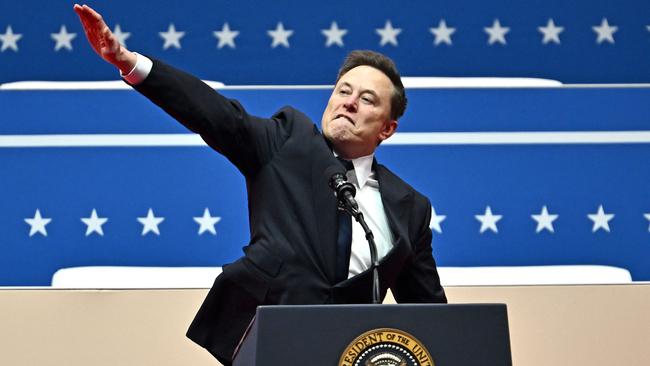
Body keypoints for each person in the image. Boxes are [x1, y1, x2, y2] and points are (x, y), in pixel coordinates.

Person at [74, 4, 447, 365]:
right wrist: (128, 61)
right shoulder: (288, 141)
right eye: (343, 91)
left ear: (387, 128)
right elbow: (215, 114)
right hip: (267, 342)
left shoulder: (410, 207)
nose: (348, 103)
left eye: (366, 99)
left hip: (349, 353)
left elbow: (431, 316)